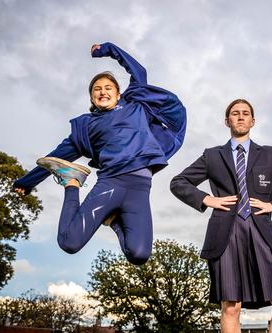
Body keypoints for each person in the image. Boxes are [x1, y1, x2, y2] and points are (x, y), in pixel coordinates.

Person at [13, 42, 186, 265]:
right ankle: (72, 184)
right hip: (111, 183)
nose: (102, 91)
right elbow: (55, 158)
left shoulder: (135, 104)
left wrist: (107, 49)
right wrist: (26, 182)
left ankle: (113, 220)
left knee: (139, 255)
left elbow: (139, 71)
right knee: (69, 242)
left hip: (140, 188)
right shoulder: (87, 126)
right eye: (97, 89)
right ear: (92, 98)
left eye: (108, 88)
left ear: (118, 93)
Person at [170, 99, 272, 333]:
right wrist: (205, 199)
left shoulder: (270, 154)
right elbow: (178, 182)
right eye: (235, 114)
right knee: (231, 305)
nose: (241, 117)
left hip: (261, 230)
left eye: (246, 113)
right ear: (228, 121)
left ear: (253, 121)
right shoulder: (212, 156)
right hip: (226, 233)